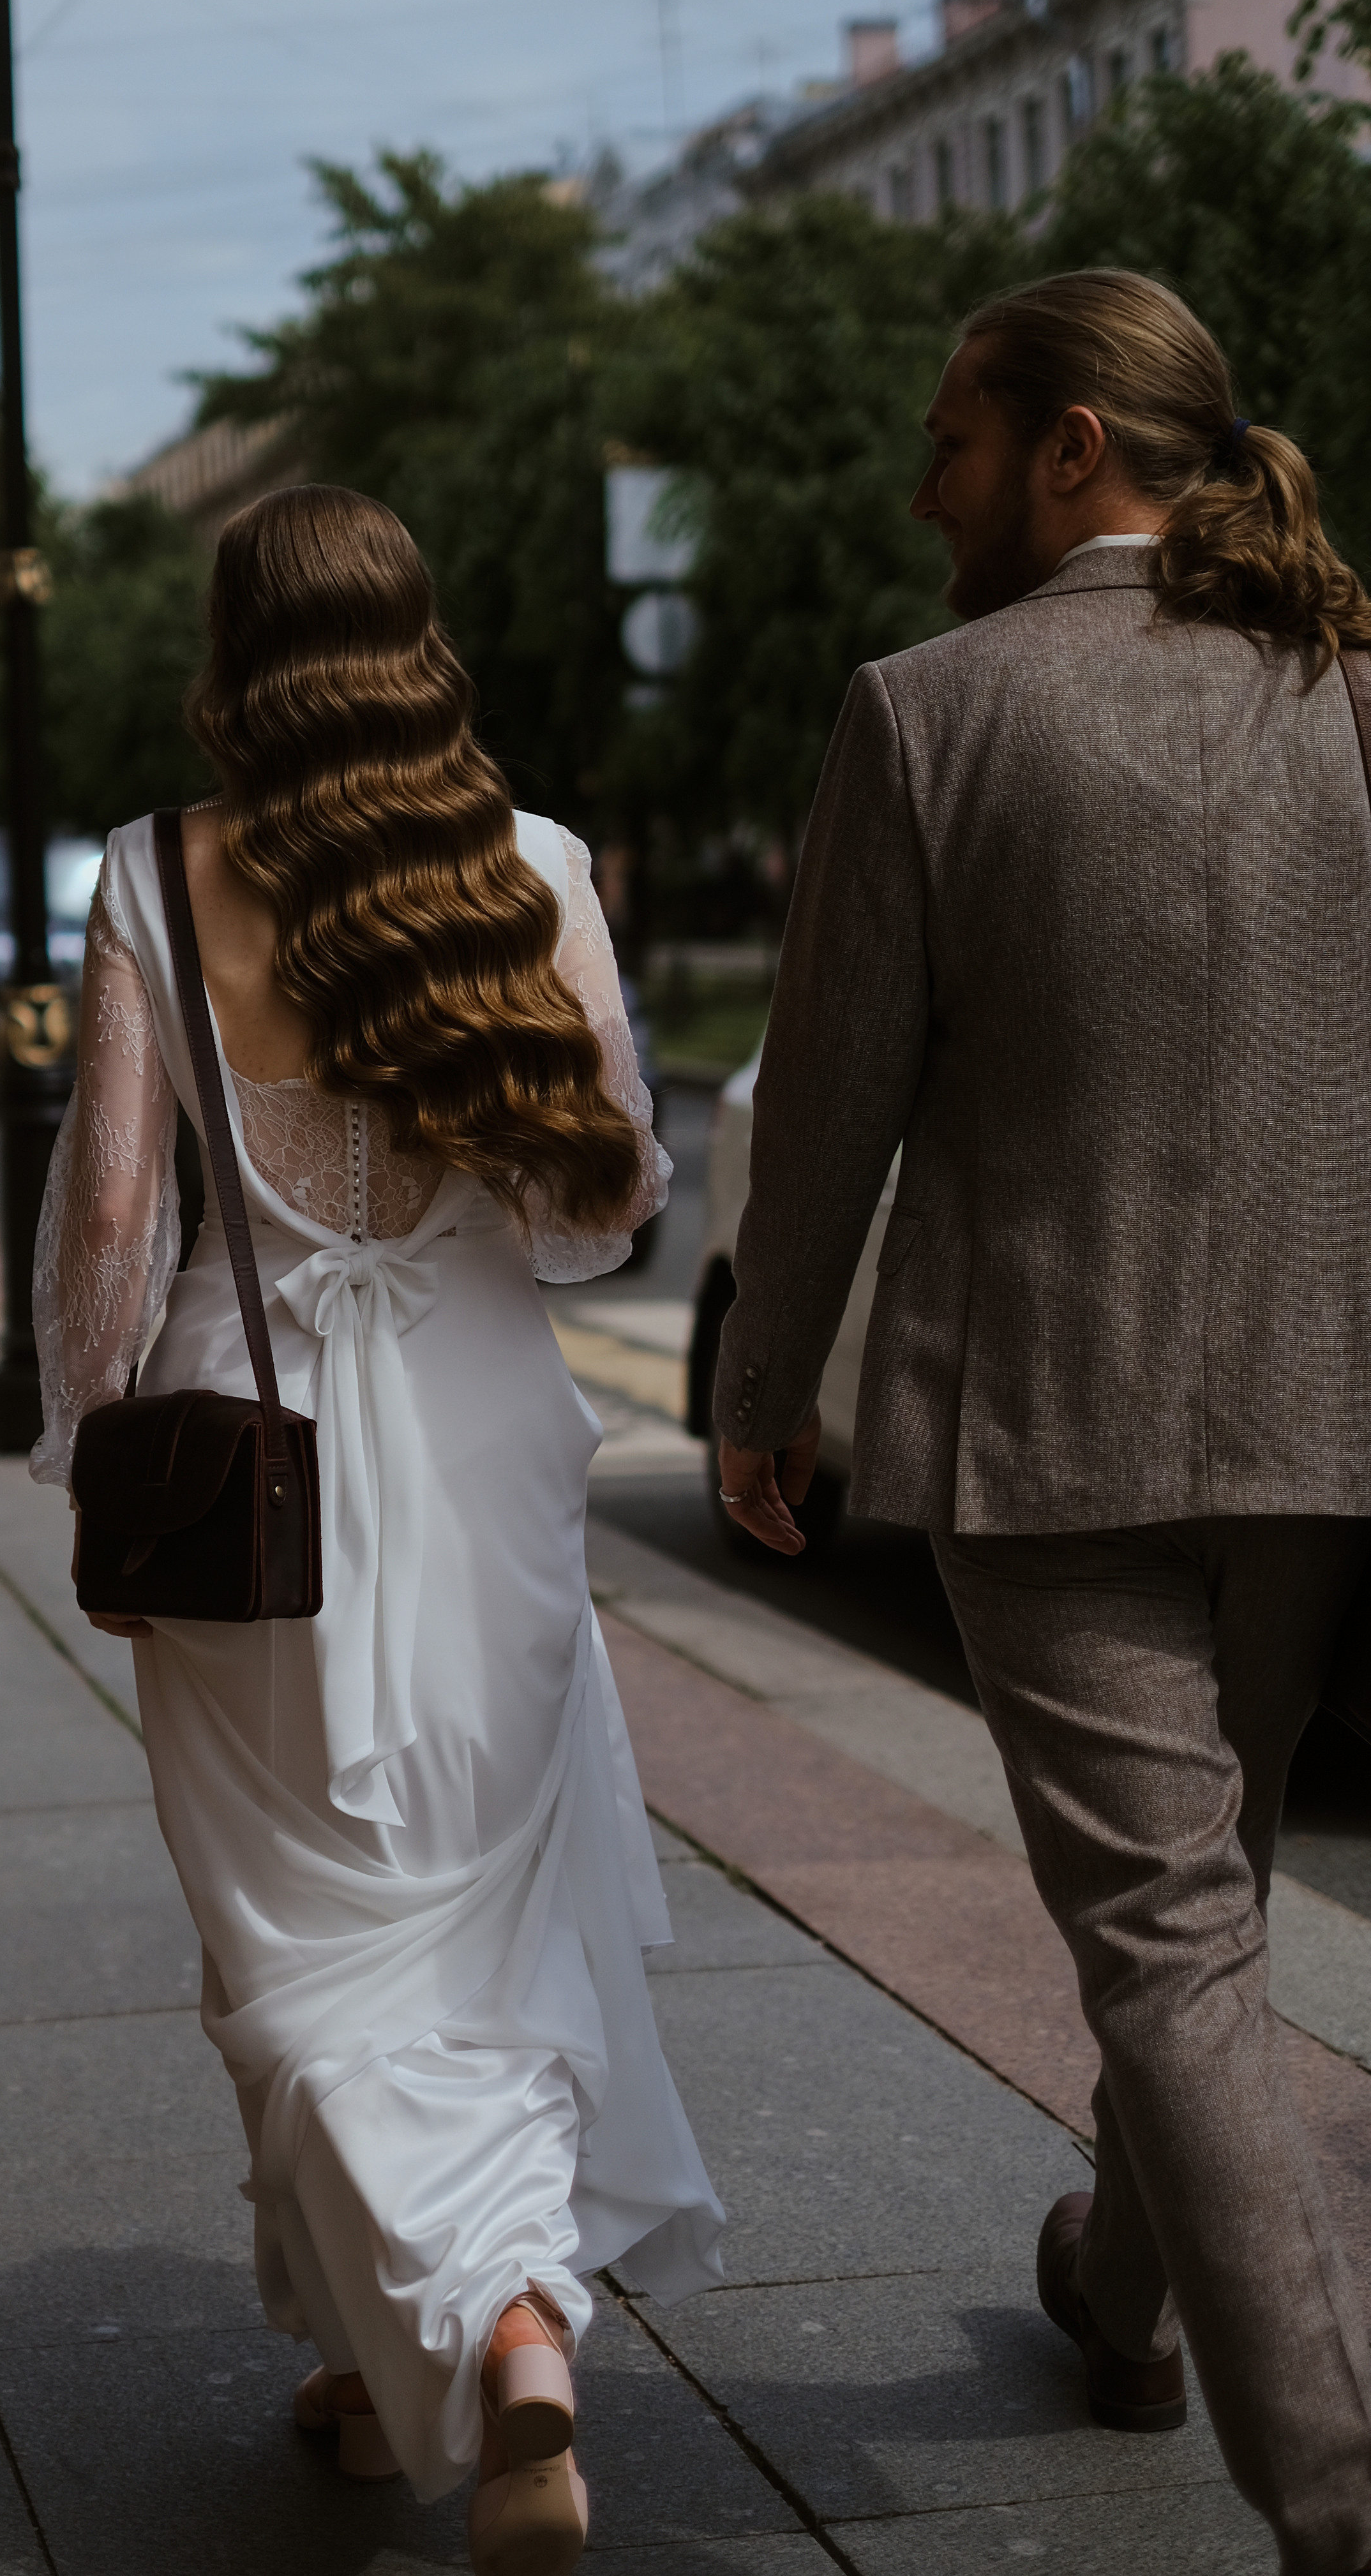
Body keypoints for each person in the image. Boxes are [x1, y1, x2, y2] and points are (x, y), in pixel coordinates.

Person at [714, 268, 1371, 2576]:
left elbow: (828, 1116)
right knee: (1201, 1905)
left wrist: (763, 1395)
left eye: (956, 443)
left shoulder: (928, 713)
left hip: (1043, 1430)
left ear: (1074, 443)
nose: (927, 489)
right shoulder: (1349, 695)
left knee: (1172, 1943)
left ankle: (1336, 2491)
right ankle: (1122, 2289)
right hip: (1319, 1416)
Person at [30, 484, 724, 2575]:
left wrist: (89, 1439)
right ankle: (425, 2355)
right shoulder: (529, 873)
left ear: (235, 654)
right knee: (484, 1923)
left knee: (299, 1955)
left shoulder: (155, 876)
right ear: (419, 642)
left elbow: (114, 1223)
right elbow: (599, 1208)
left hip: (249, 1460)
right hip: (489, 1440)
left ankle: (490, 2319)